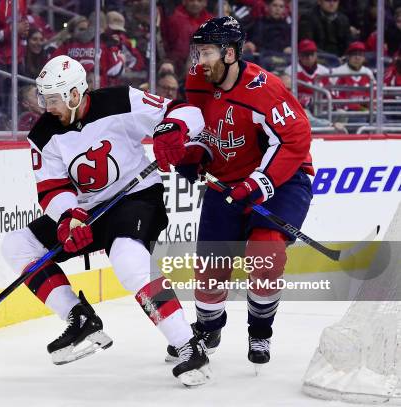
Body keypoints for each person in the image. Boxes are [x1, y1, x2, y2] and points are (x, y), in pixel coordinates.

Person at [0, 55, 211, 386]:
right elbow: (52, 188)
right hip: (87, 211)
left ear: (74, 94)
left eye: (53, 99)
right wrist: (69, 217)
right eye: (44, 98)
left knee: (127, 258)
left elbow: (184, 111)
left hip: (136, 198)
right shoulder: (42, 134)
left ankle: (188, 344)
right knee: (17, 245)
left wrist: (174, 129)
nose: (47, 106)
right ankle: (78, 316)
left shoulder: (120, 99)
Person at [153, 16, 313, 368]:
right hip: (226, 182)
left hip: (283, 181)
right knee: (210, 266)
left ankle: (260, 332)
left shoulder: (264, 89)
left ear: (229, 53)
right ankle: (208, 329)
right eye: (197, 51)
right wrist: (191, 154)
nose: (199, 60)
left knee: (265, 251)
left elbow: (296, 138)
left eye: (206, 51)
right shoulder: (198, 79)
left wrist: (258, 184)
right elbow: (203, 125)